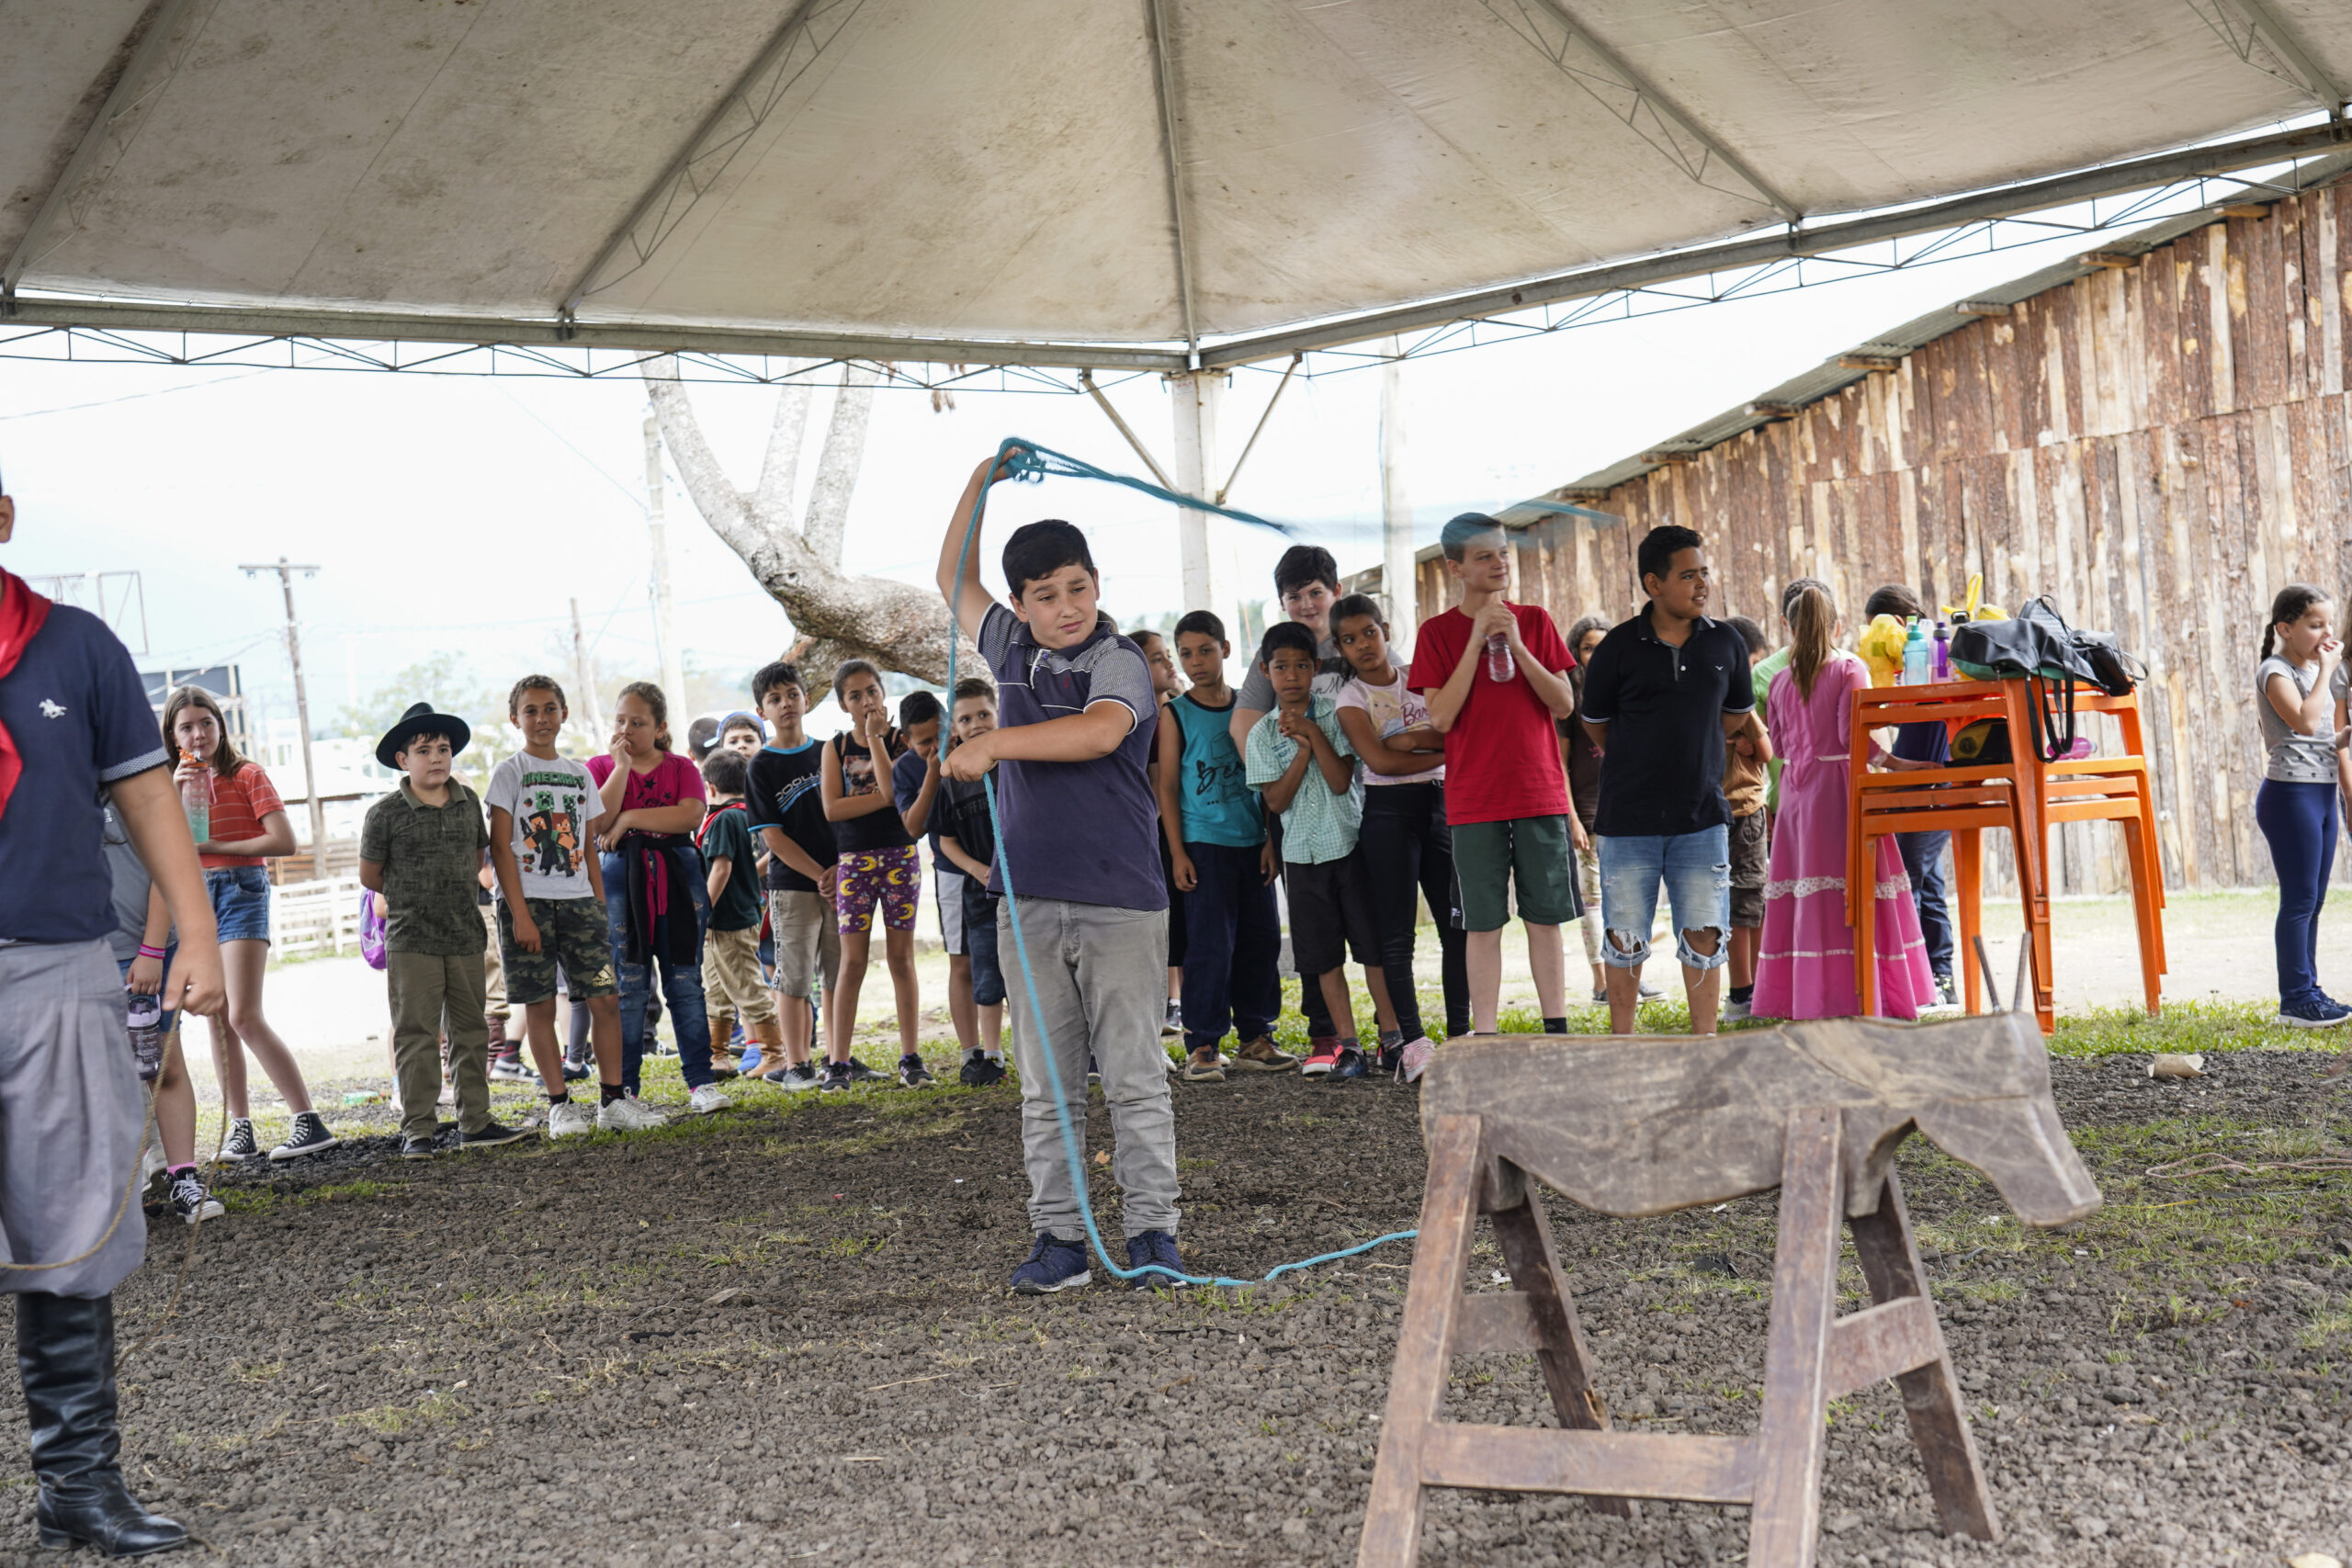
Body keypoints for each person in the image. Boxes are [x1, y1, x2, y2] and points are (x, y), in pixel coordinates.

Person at [2, 472, 226, 1556]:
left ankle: (79, 1489)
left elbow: (144, 795)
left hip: (51, 966)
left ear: (1, 519)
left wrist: (194, 932)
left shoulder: (76, 645)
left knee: (71, 1226)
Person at [936, 446, 1184, 1295]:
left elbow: (1101, 733)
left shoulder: (1120, 660)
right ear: (1019, 605)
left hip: (1120, 901)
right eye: (1046, 595)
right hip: (1027, 901)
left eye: (1077, 587)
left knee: (1133, 1076)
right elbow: (949, 577)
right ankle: (1061, 1242)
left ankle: (1154, 1233)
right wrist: (980, 480)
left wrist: (994, 741)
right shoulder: (1004, 642)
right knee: (1047, 1089)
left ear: (1097, 583)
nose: (1067, 606)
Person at [1576, 524, 1769, 1037]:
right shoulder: (1617, 647)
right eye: (1688, 575)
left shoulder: (1726, 642)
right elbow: (1595, 724)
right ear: (1653, 584)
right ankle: (1623, 1044)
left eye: (1704, 572)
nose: (1702, 584)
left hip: (1702, 815)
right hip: (1628, 819)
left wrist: (1692, 744)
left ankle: (1703, 1045)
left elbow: (1732, 716)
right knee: (1623, 934)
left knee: (1706, 931)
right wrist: (1645, 754)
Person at [1410, 515, 1581, 1036]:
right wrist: (1477, 639)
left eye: (1503, 553)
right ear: (1455, 566)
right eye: (1485, 556)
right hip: (1474, 798)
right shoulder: (1436, 633)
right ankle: (1486, 1034)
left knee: (1545, 917)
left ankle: (1556, 1029)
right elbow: (1440, 718)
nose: (1499, 563)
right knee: (1481, 922)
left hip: (1538, 790)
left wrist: (1516, 643)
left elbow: (1563, 703)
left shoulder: (1534, 619)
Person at [160, 685, 336, 1162]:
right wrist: (175, 793)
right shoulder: (173, 781)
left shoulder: (247, 774)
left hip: (240, 889)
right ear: (173, 736)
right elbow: (169, 847)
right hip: (196, 897)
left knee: (242, 1013)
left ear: (221, 724)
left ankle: (308, 1120)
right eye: (187, 727)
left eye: (207, 723)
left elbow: (283, 841)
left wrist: (219, 846)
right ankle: (241, 1128)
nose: (199, 735)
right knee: (218, 1018)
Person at [1751, 582, 1937, 1021]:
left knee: (1807, 895)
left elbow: (1776, 744)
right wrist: (1894, 763)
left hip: (1796, 795)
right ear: (1835, 624)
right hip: (1839, 787)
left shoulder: (1778, 679)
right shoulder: (1848, 668)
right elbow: (1849, 737)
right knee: (1857, 889)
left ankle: (1809, 997)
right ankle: (1868, 993)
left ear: (1791, 628)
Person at [359, 703, 535, 1157]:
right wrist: (415, 893)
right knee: (416, 1033)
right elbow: (370, 876)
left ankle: (476, 1121)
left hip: (464, 935)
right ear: (403, 760)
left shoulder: (467, 805)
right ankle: (418, 1129)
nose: (436, 757)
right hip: (411, 939)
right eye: (423, 750)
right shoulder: (385, 814)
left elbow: (477, 862)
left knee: (471, 1030)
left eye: (443, 748)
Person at [483, 676, 646, 1136]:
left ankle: (613, 1100)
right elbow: (500, 847)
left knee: (605, 998)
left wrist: (597, 900)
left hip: (580, 906)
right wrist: (519, 913)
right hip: (530, 903)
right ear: (515, 719)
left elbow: (592, 844)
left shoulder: (578, 774)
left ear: (564, 714)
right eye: (531, 710)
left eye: (550, 708)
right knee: (539, 1006)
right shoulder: (508, 772)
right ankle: (559, 1104)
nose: (541, 719)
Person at [1227, 544, 1356, 1056]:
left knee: (1373, 929)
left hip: (1360, 804)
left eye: (1315, 593)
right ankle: (1325, 1033)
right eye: (1294, 596)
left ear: (1336, 593)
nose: (1306, 604)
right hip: (1298, 814)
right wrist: (1279, 770)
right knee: (1312, 929)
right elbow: (1242, 726)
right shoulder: (1276, 657)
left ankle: (1398, 1033)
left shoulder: (1356, 641)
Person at [1246, 623, 1391, 1077]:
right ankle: (1349, 1046)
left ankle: (1392, 1038)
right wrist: (1302, 752)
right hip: (1302, 858)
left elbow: (1340, 779)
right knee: (1323, 957)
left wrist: (1312, 733)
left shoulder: (1338, 713)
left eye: (1300, 666)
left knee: (1373, 951)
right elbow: (1275, 801)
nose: (1291, 676)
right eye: (1280, 667)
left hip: (1348, 847)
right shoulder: (1261, 734)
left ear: (1315, 669)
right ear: (1267, 673)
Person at [1156, 611, 1292, 1083]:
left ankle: (1257, 1036)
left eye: (1205, 650)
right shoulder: (1175, 714)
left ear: (1226, 650)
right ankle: (1204, 1045)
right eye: (1186, 653)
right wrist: (1177, 851)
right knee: (1209, 947)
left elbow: (1268, 776)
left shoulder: (1250, 709)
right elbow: (1168, 786)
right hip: (1203, 845)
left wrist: (1271, 839)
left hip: (1252, 842)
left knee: (1260, 941)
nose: (1196, 661)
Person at [1331, 592, 1462, 1077]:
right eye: (1349, 639)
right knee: (1397, 934)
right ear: (1341, 649)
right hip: (1387, 815)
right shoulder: (1351, 699)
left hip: (1439, 805)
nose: (1363, 644)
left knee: (1457, 926)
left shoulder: (1418, 679)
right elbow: (1380, 761)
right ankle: (1412, 1041)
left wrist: (1411, 740)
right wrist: (1436, 750)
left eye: (1369, 632)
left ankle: (1461, 1033)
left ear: (1385, 630)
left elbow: (1453, 732)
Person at [590, 682, 726, 1114]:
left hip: (678, 880)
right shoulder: (598, 768)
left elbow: (690, 813)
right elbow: (598, 822)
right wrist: (620, 768)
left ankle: (701, 1082)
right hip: (620, 884)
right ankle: (624, 1088)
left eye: (638, 722)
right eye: (621, 721)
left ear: (661, 726)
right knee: (627, 986)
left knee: (685, 982)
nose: (627, 729)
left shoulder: (681, 766)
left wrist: (630, 817)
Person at [101, 804, 221, 1224]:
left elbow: (167, 863)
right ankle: (113, 1195)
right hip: (80, 952)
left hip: (145, 953)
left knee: (163, 1067)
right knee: (98, 1076)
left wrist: (152, 949)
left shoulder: (133, 782)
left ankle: (183, 1176)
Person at [821, 661, 927, 1089]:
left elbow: (891, 789)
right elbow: (832, 808)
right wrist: (885, 799)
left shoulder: (904, 742)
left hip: (901, 856)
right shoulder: (834, 747)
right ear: (843, 704)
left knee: (902, 959)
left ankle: (911, 1056)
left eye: (872, 692)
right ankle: (838, 1062)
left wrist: (876, 743)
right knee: (853, 962)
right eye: (855, 695)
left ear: (885, 694)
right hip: (854, 863)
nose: (866, 701)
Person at [1860, 584, 1960, 1011]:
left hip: (1936, 783)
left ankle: (1921, 978)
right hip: (1915, 781)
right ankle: (1938, 976)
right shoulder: (1904, 667)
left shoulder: (1936, 658)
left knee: (1912, 881)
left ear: (1897, 624)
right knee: (1927, 881)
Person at [2256, 585, 2352, 1027]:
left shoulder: (2314, 671)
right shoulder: (2276, 671)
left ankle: (2309, 991)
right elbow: (2305, 719)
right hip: (2290, 795)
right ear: (2285, 628)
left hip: (2320, 792)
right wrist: (2327, 668)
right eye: (2316, 625)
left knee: (2313, 901)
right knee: (2298, 900)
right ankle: (2294, 1000)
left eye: (2329, 625)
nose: (2326, 634)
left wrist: (2343, 739)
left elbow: (2316, 737)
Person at [746, 661, 835, 1091]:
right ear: (762, 709)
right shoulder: (761, 766)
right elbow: (773, 839)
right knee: (795, 977)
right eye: (775, 699)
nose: (786, 705)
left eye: (792, 695)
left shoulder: (829, 751)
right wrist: (821, 874)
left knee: (839, 975)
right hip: (793, 886)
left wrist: (839, 873)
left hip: (841, 881)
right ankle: (797, 1065)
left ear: (806, 698)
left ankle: (839, 1060)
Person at [934, 679, 1009, 1085]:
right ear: (955, 728)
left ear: (998, 712)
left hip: (1028, 890)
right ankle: (992, 1054)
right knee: (986, 974)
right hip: (980, 895)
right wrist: (979, 870)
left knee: (1032, 969)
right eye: (966, 718)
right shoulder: (952, 778)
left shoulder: (1020, 763)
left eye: (984, 713)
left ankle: (1036, 1047)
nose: (977, 723)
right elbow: (945, 841)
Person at [697, 748, 782, 1077]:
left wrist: (701, 911)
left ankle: (774, 1053)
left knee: (747, 985)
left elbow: (721, 868)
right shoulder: (746, 814)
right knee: (716, 987)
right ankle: (718, 1056)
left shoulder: (723, 818)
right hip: (729, 918)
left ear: (711, 787)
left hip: (727, 918)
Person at [1135, 628, 1188, 1037]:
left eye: (1168, 654)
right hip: (1146, 833)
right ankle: (1167, 1002)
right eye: (1157, 658)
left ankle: (1181, 1003)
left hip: (1185, 831)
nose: (1169, 663)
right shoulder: (1134, 721)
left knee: (1182, 922)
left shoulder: (1183, 711)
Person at [1720, 615, 1773, 1023]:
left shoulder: (1701, 694)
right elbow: (1767, 753)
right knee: (1747, 901)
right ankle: (1744, 994)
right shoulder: (1738, 701)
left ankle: (1751, 988)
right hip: (1744, 810)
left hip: (1714, 813)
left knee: (1739, 903)